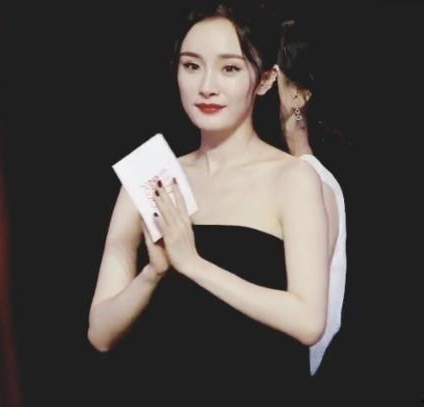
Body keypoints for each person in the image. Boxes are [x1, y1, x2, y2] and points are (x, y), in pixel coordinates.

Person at [88, 2, 329, 402]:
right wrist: (153, 273)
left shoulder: (292, 178)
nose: (207, 86)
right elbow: (100, 333)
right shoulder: (151, 176)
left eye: (229, 68)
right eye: (191, 65)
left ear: (265, 80)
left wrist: (194, 264)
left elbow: (308, 321)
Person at [275, 19, 347, 376]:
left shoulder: (312, 181)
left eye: (270, 76)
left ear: (298, 95)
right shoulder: (301, 174)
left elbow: (307, 320)